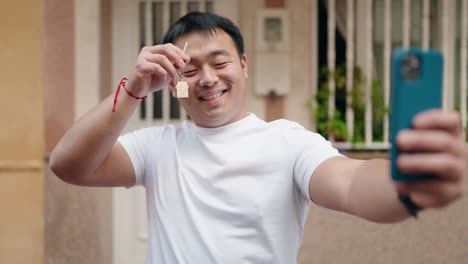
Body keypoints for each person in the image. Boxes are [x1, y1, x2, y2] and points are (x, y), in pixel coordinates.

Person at [50, 12, 466, 263]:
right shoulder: (155, 145)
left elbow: (353, 183)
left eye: (219, 62)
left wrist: (406, 184)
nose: (208, 79)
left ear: (244, 65)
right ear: (174, 82)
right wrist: (135, 87)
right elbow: (67, 164)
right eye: (190, 70)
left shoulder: (287, 142)